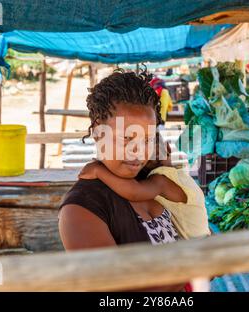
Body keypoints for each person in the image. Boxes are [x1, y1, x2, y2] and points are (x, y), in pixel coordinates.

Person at [58, 69, 188, 291]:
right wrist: (201, 266)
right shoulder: (80, 210)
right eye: (126, 138)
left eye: (147, 139)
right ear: (99, 133)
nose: (138, 152)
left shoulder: (152, 180)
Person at [79, 134, 211, 240]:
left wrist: (99, 171)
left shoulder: (162, 179)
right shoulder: (181, 175)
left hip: (196, 248)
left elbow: (134, 192)